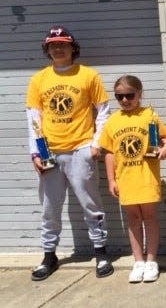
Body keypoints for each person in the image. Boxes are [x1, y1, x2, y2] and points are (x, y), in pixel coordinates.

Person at [26, 25, 114, 281]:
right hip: (50, 152)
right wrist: (36, 152)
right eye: (53, 45)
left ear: (72, 47)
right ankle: (49, 255)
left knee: (91, 204)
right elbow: (34, 118)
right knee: (50, 207)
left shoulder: (88, 75)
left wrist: (95, 144)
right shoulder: (39, 79)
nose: (58, 48)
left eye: (63, 43)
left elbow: (104, 111)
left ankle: (101, 251)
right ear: (47, 49)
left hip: (80, 149)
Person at [99, 75, 166, 283]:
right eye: (119, 96)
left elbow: (165, 139)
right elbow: (110, 153)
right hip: (126, 178)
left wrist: (165, 149)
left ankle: (151, 261)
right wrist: (111, 180)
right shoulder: (113, 121)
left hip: (146, 176)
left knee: (149, 217)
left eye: (129, 95)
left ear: (140, 94)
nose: (124, 100)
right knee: (133, 219)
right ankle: (138, 261)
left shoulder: (150, 115)